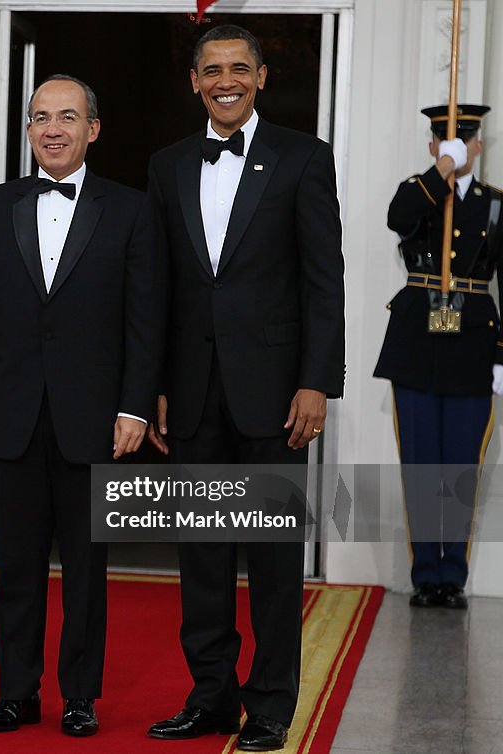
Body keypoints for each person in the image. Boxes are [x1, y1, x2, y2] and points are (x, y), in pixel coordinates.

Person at [144, 25, 344, 751]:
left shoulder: (302, 157)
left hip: (274, 394)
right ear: (194, 82)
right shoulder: (166, 166)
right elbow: (158, 287)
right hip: (193, 392)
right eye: (211, 70)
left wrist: (317, 382)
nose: (225, 80)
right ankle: (211, 698)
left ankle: (270, 707)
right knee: (200, 558)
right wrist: (155, 386)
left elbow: (325, 282)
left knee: (271, 561)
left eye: (238, 69)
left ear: (259, 77)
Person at [0, 74, 159, 738]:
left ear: (92, 129)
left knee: (88, 571)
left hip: (95, 419)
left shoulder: (131, 209)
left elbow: (144, 323)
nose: (53, 129)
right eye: (41, 117)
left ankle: (80, 697)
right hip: (7, 415)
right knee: (14, 568)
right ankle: (15, 693)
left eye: (67, 117)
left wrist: (133, 408)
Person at [374, 104, 502, 611]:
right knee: (422, 465)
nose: (456, 147)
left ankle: (454, 576)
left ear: (478, 145)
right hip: (417, 348)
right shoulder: (419, 191)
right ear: (433, 146)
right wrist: (442, 172)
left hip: (472, 345)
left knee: (460, 467)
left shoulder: (495, 206)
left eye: (466, 141)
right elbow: (397, 219)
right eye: (445, 142)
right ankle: (426, 575)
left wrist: (501, 358)